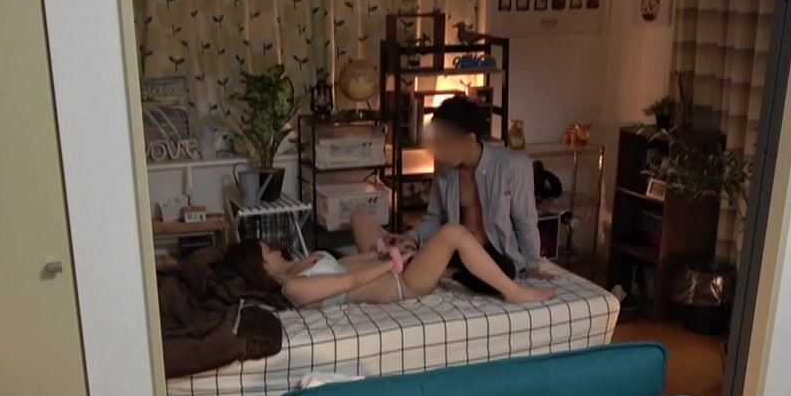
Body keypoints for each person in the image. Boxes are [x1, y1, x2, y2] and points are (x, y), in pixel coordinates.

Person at [373, 96, 551, 294]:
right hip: (457, 251)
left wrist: (532, 265)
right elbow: (435, 218)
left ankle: (451, 275)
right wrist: (411, 237)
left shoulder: (512, 165)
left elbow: (525, 220)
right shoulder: (444, 171)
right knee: (412, 258)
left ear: (470, 140)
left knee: (505, 271)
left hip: (495, 254)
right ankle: (449, 271)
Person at [225, 212, 555, 309]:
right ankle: (513, 291)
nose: (273, 248)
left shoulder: (299, 263)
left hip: (391, 269)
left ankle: (429, 254)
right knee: (453, 232)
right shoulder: (294, 288)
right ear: (259, 265)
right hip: (402, 284)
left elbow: (346, 266)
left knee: (359, 218)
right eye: (265, 250)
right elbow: (350, 282)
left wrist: (378, 252)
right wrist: (394, 262)